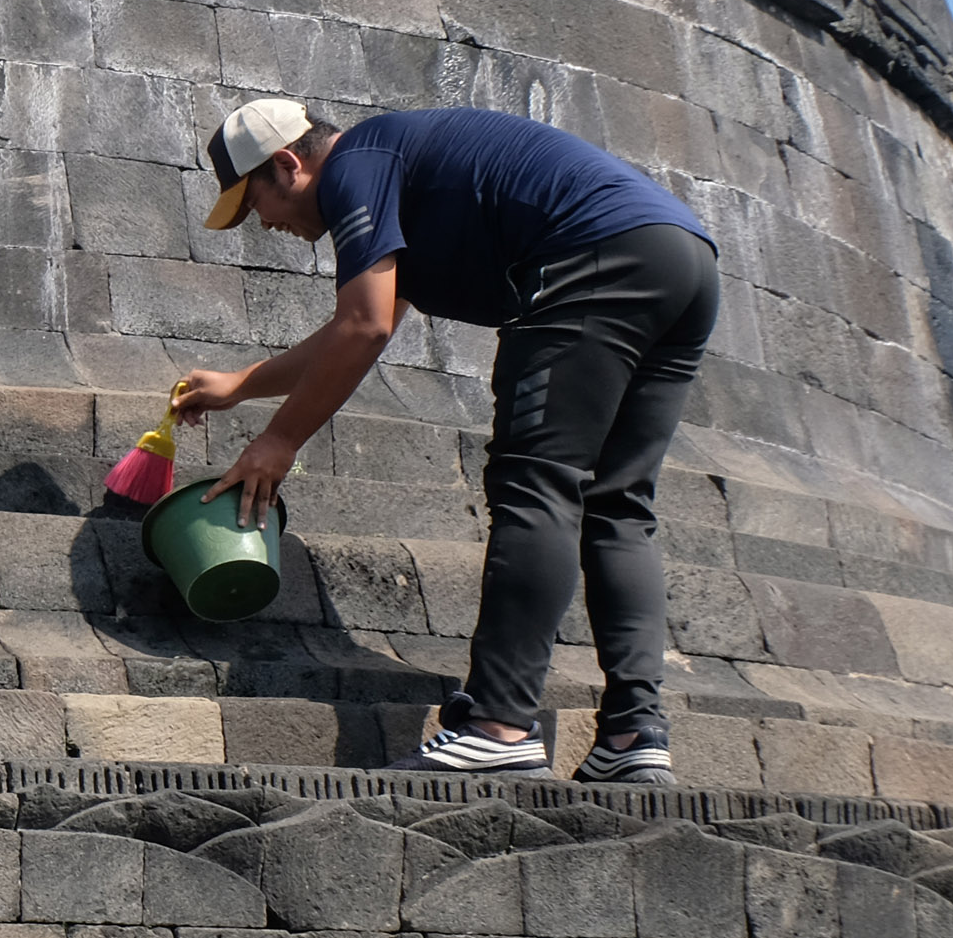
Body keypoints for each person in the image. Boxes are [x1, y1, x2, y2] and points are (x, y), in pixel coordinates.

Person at [174, 97, 719, 783]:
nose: (264, 224)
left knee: (536, 483)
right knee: (617, 504)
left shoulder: (357, 165)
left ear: (287, 164)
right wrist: (241, 385)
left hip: (592, 254)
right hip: (679, 256)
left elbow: (364, 327)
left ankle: (498, 725)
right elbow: (360, 322)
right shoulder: (402, 176)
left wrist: (279, 441)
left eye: (255, 203)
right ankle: (632, 737)